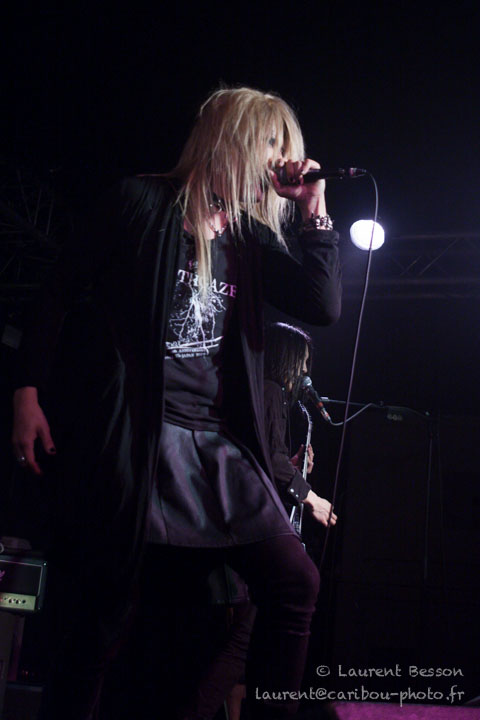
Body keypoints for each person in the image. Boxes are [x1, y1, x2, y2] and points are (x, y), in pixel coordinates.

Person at [11, 86, 342, 719]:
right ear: (233, 142)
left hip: (218, 446)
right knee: (104, 619)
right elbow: (57, 291)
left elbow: (322, 305)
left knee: (296, 582)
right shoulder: (140, 202)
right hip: (140, 436)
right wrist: (27, 391)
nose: (282, 162)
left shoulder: (250, 239)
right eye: (272, 146)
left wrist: (314, 209)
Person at [264, 321, 337, 527]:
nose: (304, 370)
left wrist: (292, 466)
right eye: (301, 361)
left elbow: (266, 458)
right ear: (284, 357)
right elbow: (273, 459)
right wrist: (312, 499)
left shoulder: (270, 392)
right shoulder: (270, 391)